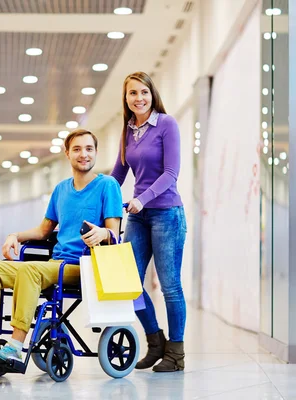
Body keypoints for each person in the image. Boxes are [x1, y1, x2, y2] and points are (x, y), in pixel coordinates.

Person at [0, 129, 123, 367]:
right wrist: (15, 236)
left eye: (89, 149)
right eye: (77, 149)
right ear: (67, 154)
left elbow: (113, 233)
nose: (83, 154)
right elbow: (43, 231)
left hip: (83, 266)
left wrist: (103, 232)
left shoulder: (107, 185)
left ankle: (14, 347)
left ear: (96, 152)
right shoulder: (61, 189)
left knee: (28, 270)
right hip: (55, 265)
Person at [111, 71, 187, 372]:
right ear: (126, 99)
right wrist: (94, 198)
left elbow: (171, 174)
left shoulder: (166, 124)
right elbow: (117, 175)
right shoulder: (127, 131)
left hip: (167, 213)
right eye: (133, 93)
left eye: (144, 92)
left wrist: (142, 198)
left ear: (152, 94)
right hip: (138, 217)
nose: (139, 98)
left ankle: (176, 354)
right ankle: (155, 343)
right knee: (128, 282)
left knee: (170, 286)